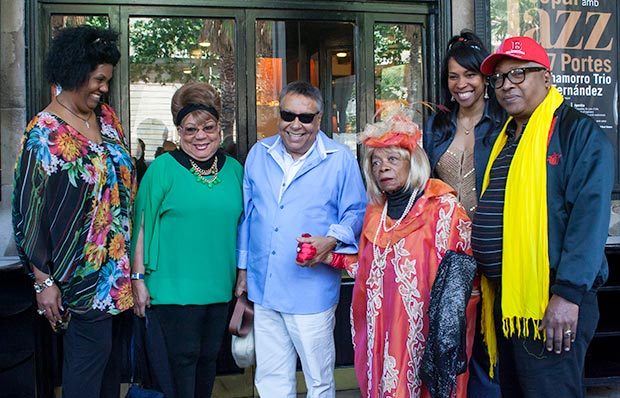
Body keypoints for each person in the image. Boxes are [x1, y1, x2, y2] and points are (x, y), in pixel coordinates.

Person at [472, 36, 614, 398]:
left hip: (551, 300)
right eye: (499, 79)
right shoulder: (504, 137)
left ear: (547, 78)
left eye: (518, 73)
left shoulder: (575, 132)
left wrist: (567, 296)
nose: (507, 85)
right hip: (510, 301)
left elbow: (588, 220)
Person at [12, 25, 135, 398]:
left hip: (118, 272)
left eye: (107, 81)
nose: (103, 88)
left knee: (110, 371)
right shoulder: (43, 134)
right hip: (78, 277)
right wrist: (43, 281)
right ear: (74, 74)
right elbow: (27, 215)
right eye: (98, 79)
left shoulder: (107, 118)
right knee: (84, 372)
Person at [329, 107, 478, 398]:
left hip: (424, 336)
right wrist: (331, 257)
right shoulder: (376, 213)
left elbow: (463, 285)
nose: (382, 167)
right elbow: (369, 271)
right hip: (383, 334)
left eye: (392, 159)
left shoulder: (443, 209)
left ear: (413, 162)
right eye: (375, 162)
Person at [235, 80, 367, 398]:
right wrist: (243, 271)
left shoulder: (339, 159)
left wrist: (331, 240)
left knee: (318, 380)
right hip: (265, 288)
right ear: (279, 115)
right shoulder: (258, 154)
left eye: (305, 118)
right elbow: (248, 217)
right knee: (270, 379)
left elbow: (357, 212)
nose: (296, 125)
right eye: (288, 115)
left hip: (311, 293)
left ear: (319, 119)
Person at [130, 81, 243, 398]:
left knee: (208, 361)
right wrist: (137, 280)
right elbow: (141, 226)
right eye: (190, 129)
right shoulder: (162, 169)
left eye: (208, 127)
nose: (200, 136)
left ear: (219, 127)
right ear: (178, 131)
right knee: (180, 364)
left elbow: (245, 226)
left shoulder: (234, 170)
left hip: (219, 286)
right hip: (171, 289)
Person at [422, 30, 504, 398]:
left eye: (469, 75)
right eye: (453, 76)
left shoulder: (504, 121)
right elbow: (423, 187)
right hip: (450, 252)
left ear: (485, 78)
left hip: (495, 247)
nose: (461, 84)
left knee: (491, 345)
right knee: (451, 341)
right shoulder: (438, 126)